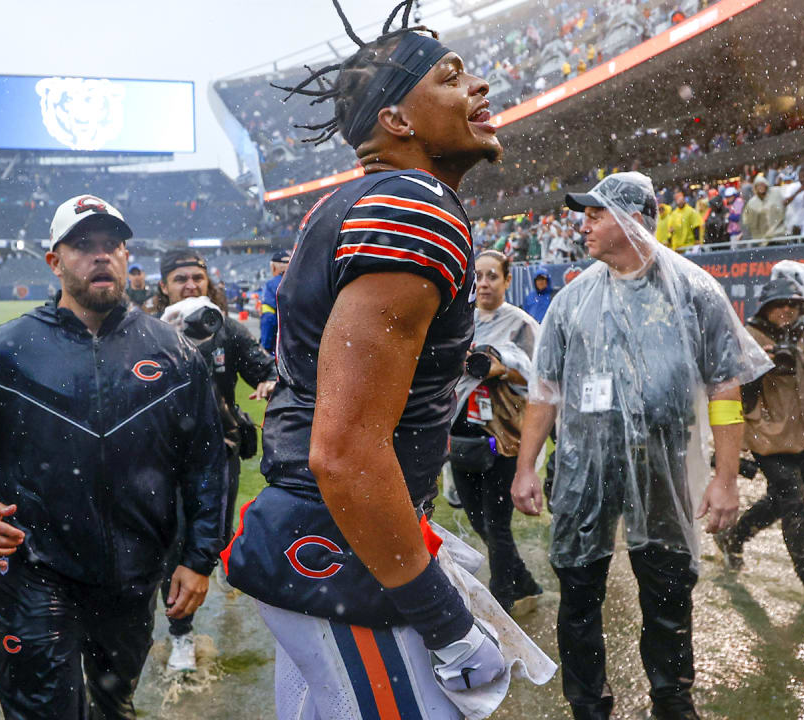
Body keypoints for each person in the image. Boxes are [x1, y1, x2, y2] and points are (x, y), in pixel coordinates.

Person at [222, 3, 512, 717]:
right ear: (399, 121)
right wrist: (445, 624)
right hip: (342, 543)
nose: (478, 87)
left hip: (322, 532)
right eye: (451, 77)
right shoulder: (414, 207)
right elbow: (347, 451)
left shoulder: (356, 201)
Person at [0, 195, 227, 719]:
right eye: (83, 245)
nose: (100, 256)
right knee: (45, 711)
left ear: (127, 256)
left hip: (133, 575)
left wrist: (198, 560)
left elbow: (206, 463)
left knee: (114, 704)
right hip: (35, 569)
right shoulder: (4, 350)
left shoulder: (174, 355)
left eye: (112, 245)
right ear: (55, 260)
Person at [511, 172, 772, 720]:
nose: (583, 225)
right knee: (580, 587)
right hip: (585, 467)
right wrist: (526, 466)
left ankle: (672, 698)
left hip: (662, 464)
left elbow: (726, 389)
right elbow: (545, 391)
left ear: (630, 221)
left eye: (595, 214)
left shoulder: (695, 291)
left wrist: (725, 479)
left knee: (668, 583)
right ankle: (588, 704)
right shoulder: (571, 301)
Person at [150, 248, 276, 673]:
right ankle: (181, 635)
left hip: (220, 450)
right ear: (164, 286)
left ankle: (215, 561)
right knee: (176, 542)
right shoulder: (146, 331)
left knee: (214, 537)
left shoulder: (227, 330)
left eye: (197, 279)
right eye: (180, 279)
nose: (190, 286)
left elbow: (263, 368)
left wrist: (270, 382)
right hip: (164, 457)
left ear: (209, 283)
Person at [714, 278, 804, 606]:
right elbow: (729, 386)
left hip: (802, 434)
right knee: (793, 502)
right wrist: (757, 362)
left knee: (782, 500)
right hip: (764, 433)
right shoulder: (747, 338)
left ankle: (733, 537)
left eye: (792, 304)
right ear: (766, 308)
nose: (786, 310)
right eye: (779, 304)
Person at [450, 250, 543, 615]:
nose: (485, 283)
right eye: (480, 277)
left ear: (507, 280)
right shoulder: (458, 321)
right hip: (462, 436)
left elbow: (541, 381)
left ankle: (501, 604)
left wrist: (503, 369)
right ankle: (526, 583)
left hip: (503, 439)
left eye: (493, 276)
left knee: (497, 525)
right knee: (478, 521)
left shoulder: (521, 325)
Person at [259, 249, 290, 355]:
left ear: (273, 267)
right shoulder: (304, 283)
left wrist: (265, 347)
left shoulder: (271, 286)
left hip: (279, 347)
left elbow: (268, 318)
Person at [742, 173, 786, 243]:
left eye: (762, 184)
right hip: (762, 238)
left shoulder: (776, 193)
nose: (760, 187)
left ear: (766, 185)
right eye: (758, 185)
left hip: (779, 234)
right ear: (755, 187)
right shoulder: (752, 202)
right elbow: (747, 219)